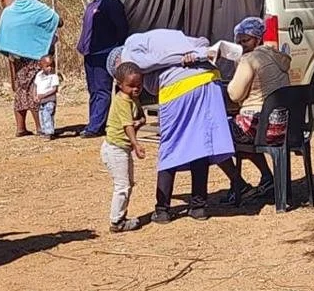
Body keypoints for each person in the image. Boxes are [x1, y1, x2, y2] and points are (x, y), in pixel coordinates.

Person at [109, 29, 243, 221]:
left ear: (118, 62)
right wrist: (194, 54)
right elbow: (203, 41)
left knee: (170, 147)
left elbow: (149, 62)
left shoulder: (130, 49)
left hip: (179, 88)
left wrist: (183, 58)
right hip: (210, 81)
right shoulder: (169, 37)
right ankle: (199, 207)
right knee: (201, 145)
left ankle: (162, 210)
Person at [225, 17, 287, 198]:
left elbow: (234, 94)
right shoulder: (277, 57)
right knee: (241, 130)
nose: (243, 45)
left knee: (216, 133)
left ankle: (237, 182)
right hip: (284, 125)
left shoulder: (250, 59)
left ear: (257, 39)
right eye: (239, 42)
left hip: (261, 127)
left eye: (246, 40)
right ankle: (267, 177)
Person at [0, 0, 61, 138]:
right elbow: (58, 21)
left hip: (15, 56)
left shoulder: (10, 9)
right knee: (36, 88)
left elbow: (5, 28)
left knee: (20, 89)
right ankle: (41, 127)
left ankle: (21, 128)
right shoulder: (39, 8)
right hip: (36, 56)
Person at [77, 0, 128, 138]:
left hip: (104, 53)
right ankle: (94, 121)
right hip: (90, 53)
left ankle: (96, 127)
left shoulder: (112, 4)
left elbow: (122, 29)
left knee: (102, 89)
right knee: (93, 90)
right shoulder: (93, 4)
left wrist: (118, 51)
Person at [101, 61, 147, 233]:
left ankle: (121, 215)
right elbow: (128, 126)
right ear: (119, 85)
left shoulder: (133, 99)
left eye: (139, 85)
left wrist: (140, 122)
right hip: (116, 148)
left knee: (128, 183)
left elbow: (141, 117)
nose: (136, 89)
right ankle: (116, 221)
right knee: (122, 185)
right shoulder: (121, 101)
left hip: (123, 148)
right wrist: (136, 143)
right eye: (131, 86)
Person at [34, 54, 61, 140]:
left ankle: (49, 132)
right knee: (41, 115)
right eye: (47, 66)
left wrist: (44, 95)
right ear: (41, 66)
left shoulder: (53, 76)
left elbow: (54, 89)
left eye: (52, 65)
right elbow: (35, 86)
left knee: (47, 115)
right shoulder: (39, 75)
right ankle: (45, 130)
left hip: (49, 100)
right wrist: (35, 95)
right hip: (41, 101)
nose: (50, 68)